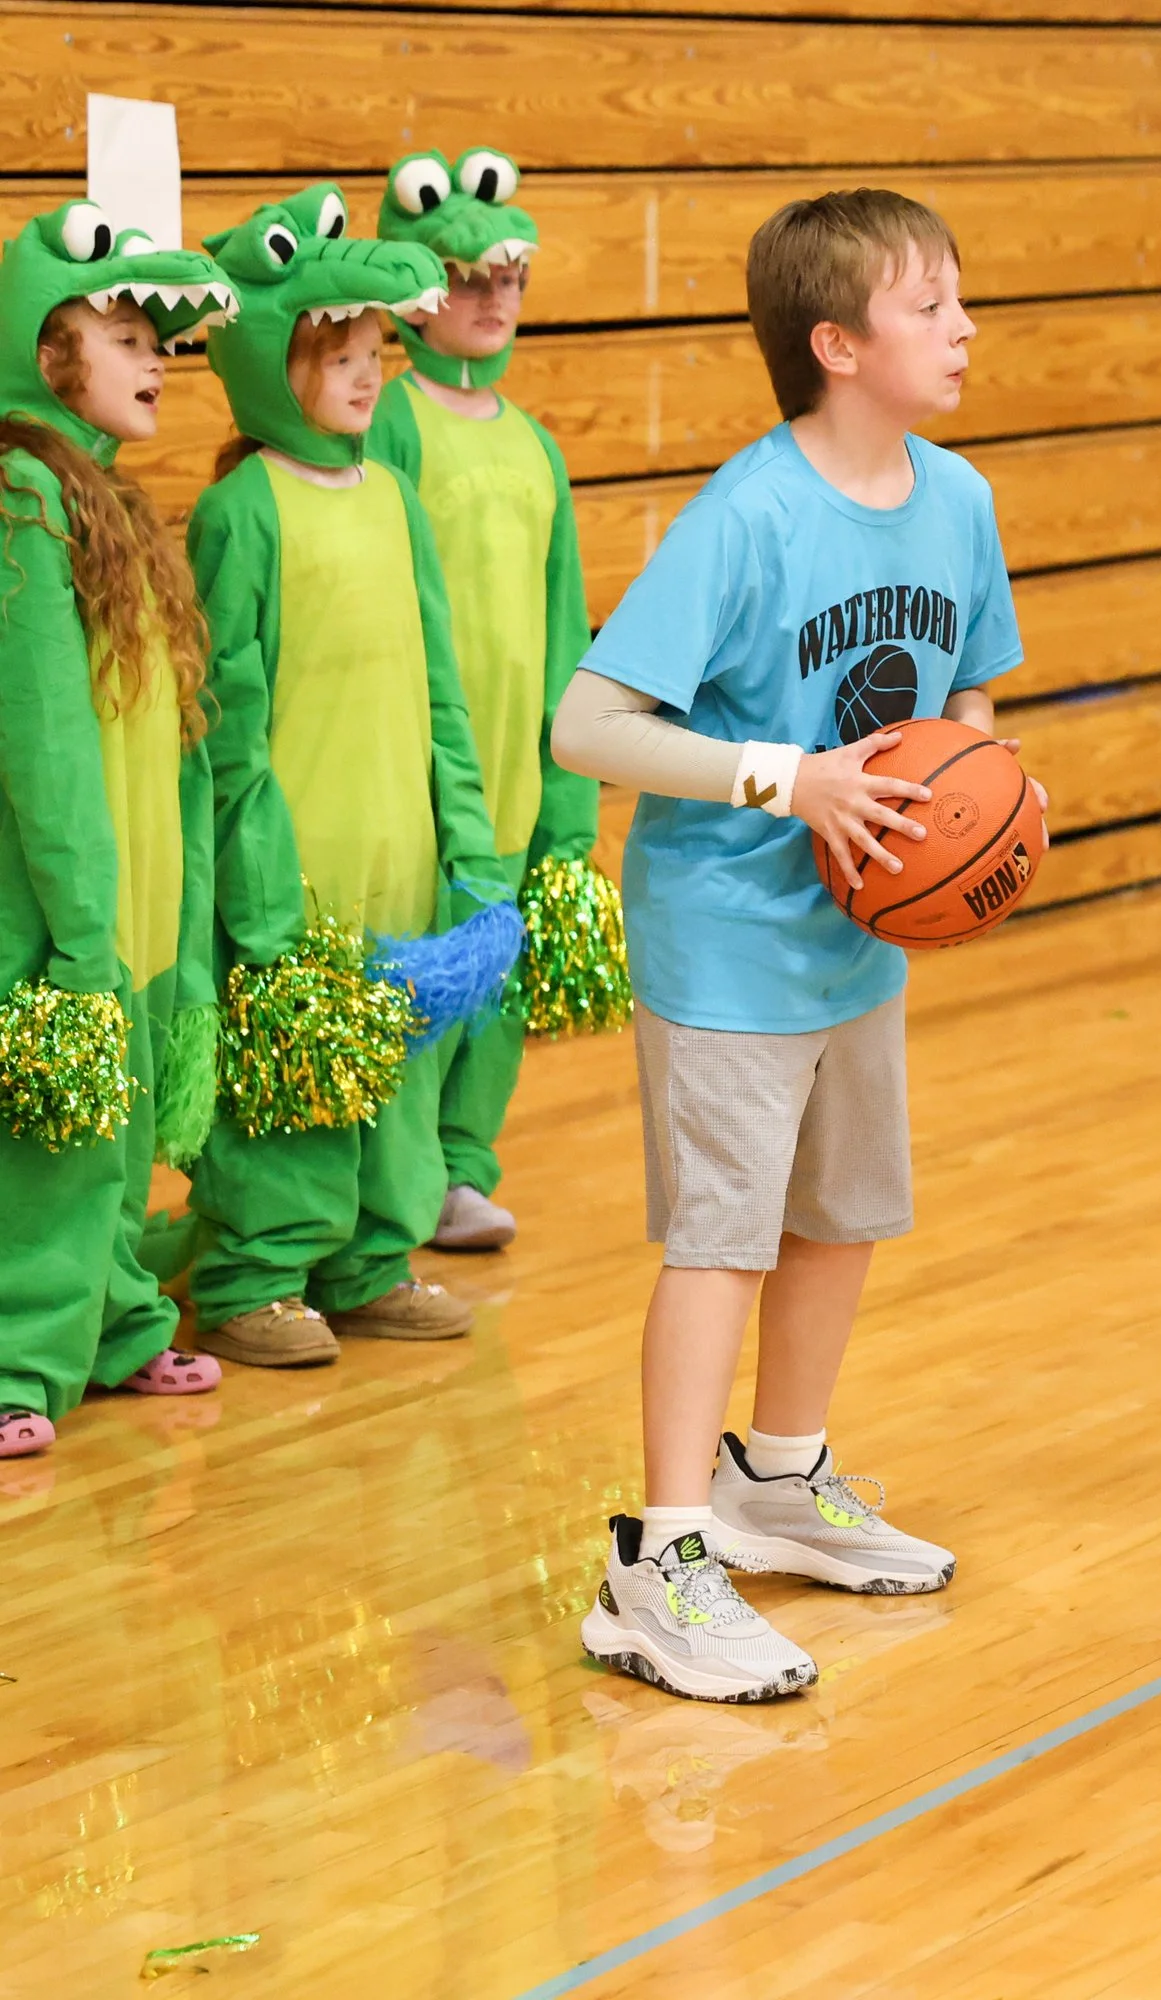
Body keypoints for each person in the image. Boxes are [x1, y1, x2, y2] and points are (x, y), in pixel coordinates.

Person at [551, 190, 1027, 1702]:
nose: (963, 326)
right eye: (929, 304)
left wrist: (967, 808)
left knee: (840, 1217)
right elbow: (587, 726)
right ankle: (661, 1558)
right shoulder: (746, 515)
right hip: (728, 941)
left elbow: (968, 709)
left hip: (854, 943)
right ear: (837, 344)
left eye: (962, 299)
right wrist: (791, 779)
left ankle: (779, 1478)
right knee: (723, 1242)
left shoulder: (956, 501)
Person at [186, 186, 517, 1370]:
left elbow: (441, 696)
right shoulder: (240, 512)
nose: (370, 373)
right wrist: (257, 885)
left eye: (377, 349)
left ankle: (372, 1258)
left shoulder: (391, 500)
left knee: (397, 1077)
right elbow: (227, 719)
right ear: (274, 363)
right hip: (298, 860)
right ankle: (255, 1269)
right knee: (290, 1079)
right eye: (339, 353)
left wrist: (469, 849)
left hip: (404, 854)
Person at [0, 204, 236, 1457]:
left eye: (163, 338)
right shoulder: (22, 497)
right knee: (54, 1152)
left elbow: (168, 738)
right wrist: (80, 929)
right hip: (57, 911)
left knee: (124, 1130)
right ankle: (15, 1356)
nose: (156, 356)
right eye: (127, 329)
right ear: (45, 348)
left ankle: (112, 1322)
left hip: (134, 898)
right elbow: (42, 740)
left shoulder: (112, 502)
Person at [367, 145, 623, 1255]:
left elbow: (564, 622)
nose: (491, 298)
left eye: (507, 279)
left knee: (501, 969)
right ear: (417, 292)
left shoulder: (538, 447)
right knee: (428, 961)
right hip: (424, 762)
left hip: (521, 764)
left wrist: (571, 786)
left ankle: (466, 1163)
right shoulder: (390, 423)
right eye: (467, 280)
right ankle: (405, 1175)